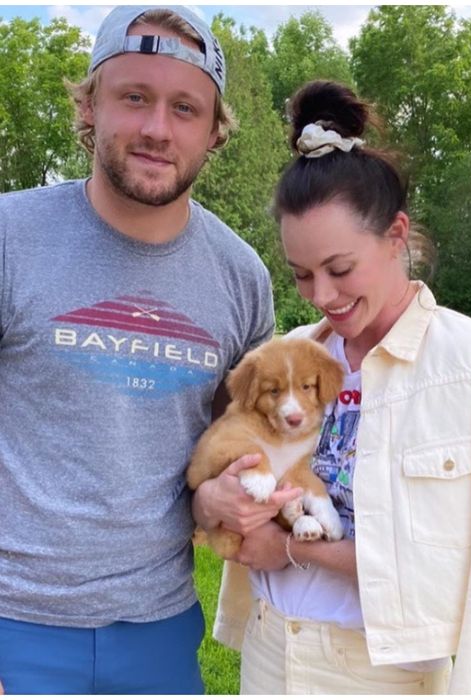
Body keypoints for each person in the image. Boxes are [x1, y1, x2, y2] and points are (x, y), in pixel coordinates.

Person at [192, 80, 471, 694]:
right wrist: (214, 502)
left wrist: (296, 552)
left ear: (395, 236)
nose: (323, 296)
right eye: (302, 274)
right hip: (269, 646)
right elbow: (223, 469)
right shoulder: (296, 356)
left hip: (380, 673)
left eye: (340, 269)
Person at [0, 5, 277, 694]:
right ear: (90, 105)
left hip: (159, 629)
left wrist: (222, 493)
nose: (157, 128)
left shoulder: (241, 278)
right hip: (12, 625)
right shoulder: (11, 238)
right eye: (134, 97)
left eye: (185, 107)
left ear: (215, 133)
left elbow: (240, 439)